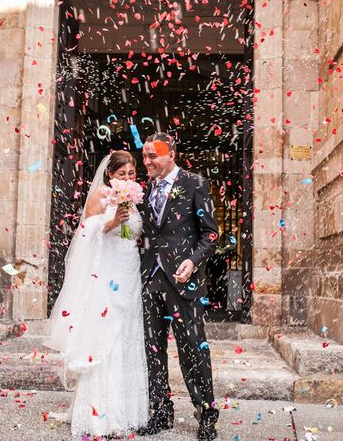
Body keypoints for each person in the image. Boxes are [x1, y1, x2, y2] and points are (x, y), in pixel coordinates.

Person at [44, 151, 148, 439]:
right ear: (110, 174)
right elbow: (86, 232)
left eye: (130, 174)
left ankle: (125, 411)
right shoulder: (100, 195)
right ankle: (100, 416)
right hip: (107, 272)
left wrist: (128, 225)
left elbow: (135, 232)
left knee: (125, 333)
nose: (127, 179)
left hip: (128, 270)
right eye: (121, 174)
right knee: (106, 334)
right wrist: (112, 223)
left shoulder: (134, 198)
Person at [137, 133, 220, 441]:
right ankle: (161, 411)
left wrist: (193, 261)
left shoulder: (195, 184)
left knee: (193, 349)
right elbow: (144, 234)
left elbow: (210, 234)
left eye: (152, 156)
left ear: (170, 154)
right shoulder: (142, 192)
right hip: (151, 277)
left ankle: (206, 413)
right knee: (152, 348)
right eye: (144, 156)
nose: (146, 162)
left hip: (185, 280)